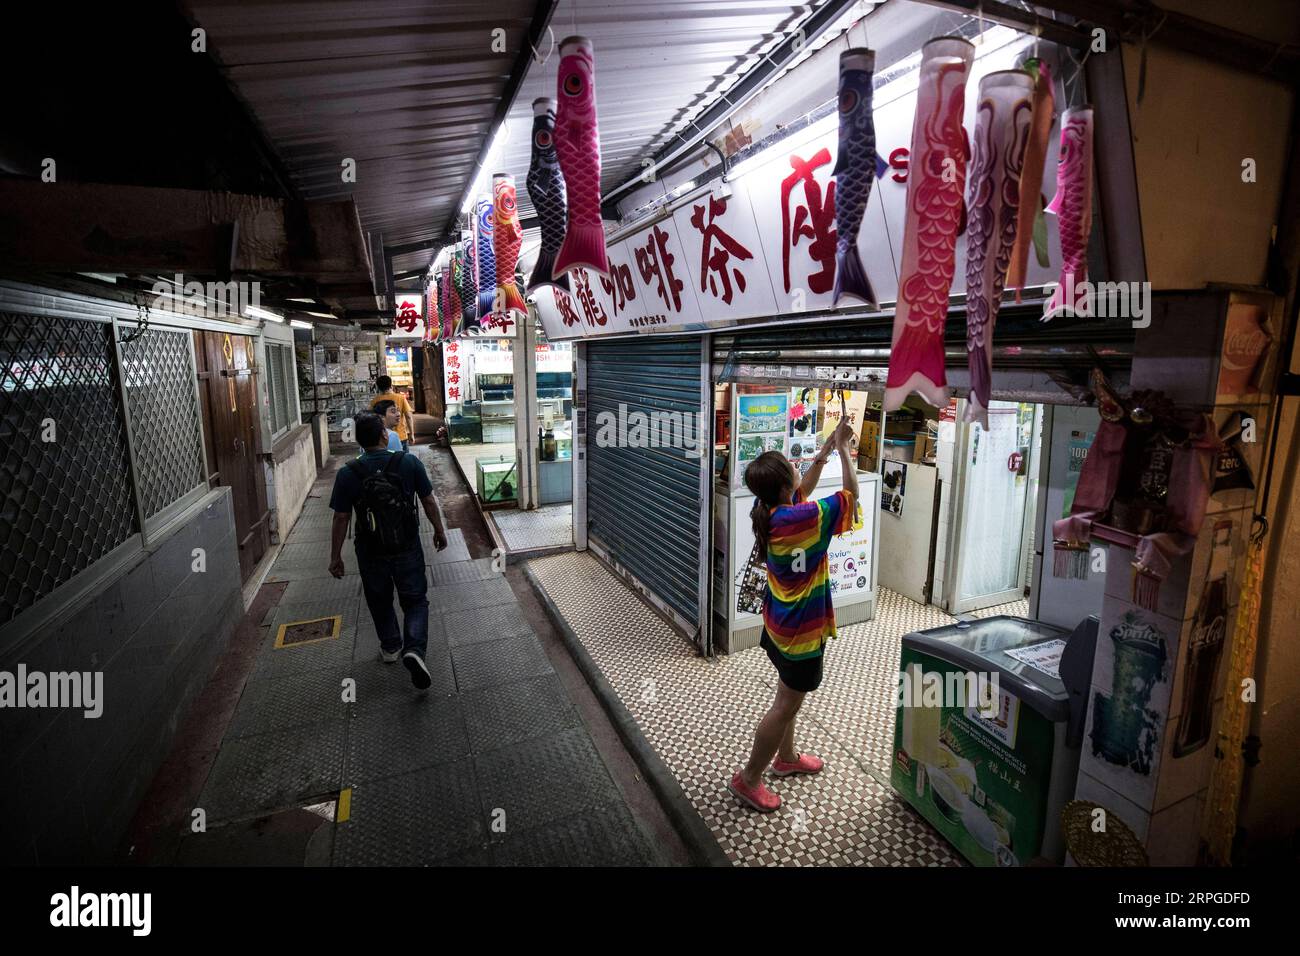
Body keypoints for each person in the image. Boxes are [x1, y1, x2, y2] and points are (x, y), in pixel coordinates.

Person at [728, 418, 860, 812]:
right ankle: (748, 778)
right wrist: (845, 452)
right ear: (785, 487)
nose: (798, 470)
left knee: (788, 693)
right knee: (787, 703)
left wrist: (826, 448)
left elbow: (804, 488)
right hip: (801, 634)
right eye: (792, 468)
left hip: (778, 624)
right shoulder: (802, 519)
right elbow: (850, 496)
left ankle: (786, 759)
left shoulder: (769, 511)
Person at [328, 411, 449, 688]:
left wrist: (335, 556)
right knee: (416, 600)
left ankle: (392, 646)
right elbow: (428, 501)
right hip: (406, 544)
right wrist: (439, 531)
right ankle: (414, 649)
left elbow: (341, 518)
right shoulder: (408, 462)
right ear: (385, 435)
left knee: (379, 599)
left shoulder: (348, 473)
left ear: (358, 441)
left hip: (370, 550)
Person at [371, 375, 414, 451]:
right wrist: (411, 434)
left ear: (378, 387)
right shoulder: (400, 398)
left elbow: (372, 420)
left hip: (383, 438)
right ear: (391, 385)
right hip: (401, 436)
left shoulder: (375, 401)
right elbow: (408, 417)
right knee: (403, 460)